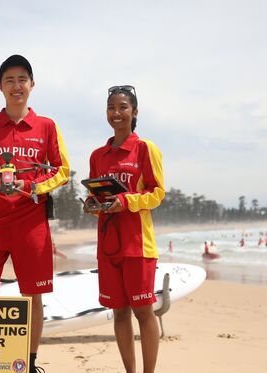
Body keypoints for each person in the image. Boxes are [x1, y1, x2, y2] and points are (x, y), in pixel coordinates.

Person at [0, 54, 70, 373]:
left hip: (31, 224)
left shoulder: (47, 126)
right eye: (10, 80)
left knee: (32, 295)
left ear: (32, 85)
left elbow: (62, 171)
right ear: (0, 86)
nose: (16, 85)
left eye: (22, 79)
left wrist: (33, 185)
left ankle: (30, 363)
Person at [84, 85, 164, 373]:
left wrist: (124, 201)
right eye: (111, 108)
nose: (116, 114)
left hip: (138, 245)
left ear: (134, 112)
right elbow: (98, 196)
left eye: (122, 108)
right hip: (108, 246)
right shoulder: (97, 155)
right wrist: (92, 205)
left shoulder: (145, 149)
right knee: (118, 312)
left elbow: (157, 194)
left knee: (144, 311)